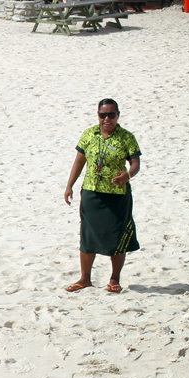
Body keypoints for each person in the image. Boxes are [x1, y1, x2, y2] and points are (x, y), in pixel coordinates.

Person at [64, 99, 141, 293]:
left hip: (117, 196)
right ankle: (85, 279)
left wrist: (128, 175)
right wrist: (69, 185)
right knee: (88, 236)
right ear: (98, 115)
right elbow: (79, 161)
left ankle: (114, 279)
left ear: (118, 115)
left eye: (111, 115)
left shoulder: (126, 137)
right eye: (102, 115)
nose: (107, 119)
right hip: (91, 192)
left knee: (117, 236)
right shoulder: (89, 134)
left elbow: (135, 163)